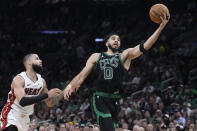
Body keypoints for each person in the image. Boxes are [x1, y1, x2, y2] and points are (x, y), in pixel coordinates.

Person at [64, 13, 170, 131]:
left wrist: (160, 27)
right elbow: (81, 76)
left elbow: (145, 46)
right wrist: (70, 85)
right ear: (106, 43)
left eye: (118, 39)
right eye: (113, 39)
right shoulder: (96, 56)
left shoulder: (125, 55)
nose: (116, 41)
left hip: (114, 100)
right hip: (100, 98)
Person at [0, 54, 63, 131]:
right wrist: (47, 95)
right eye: (37, 59)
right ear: (28, 62)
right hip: (12, 114)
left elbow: (49, 103)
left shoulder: (42, 82)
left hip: (25, 119)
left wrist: (63, 94)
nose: (40, 60)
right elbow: (22, 101)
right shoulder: (19, 79)